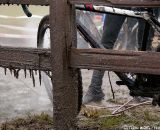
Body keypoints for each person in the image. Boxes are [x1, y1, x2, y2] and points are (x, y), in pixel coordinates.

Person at [83, 8, 159, 104]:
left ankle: (141, 90)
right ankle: (95, 88)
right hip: (117, 2)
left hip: (146, 3)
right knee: (105, 43)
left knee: (145, 44)